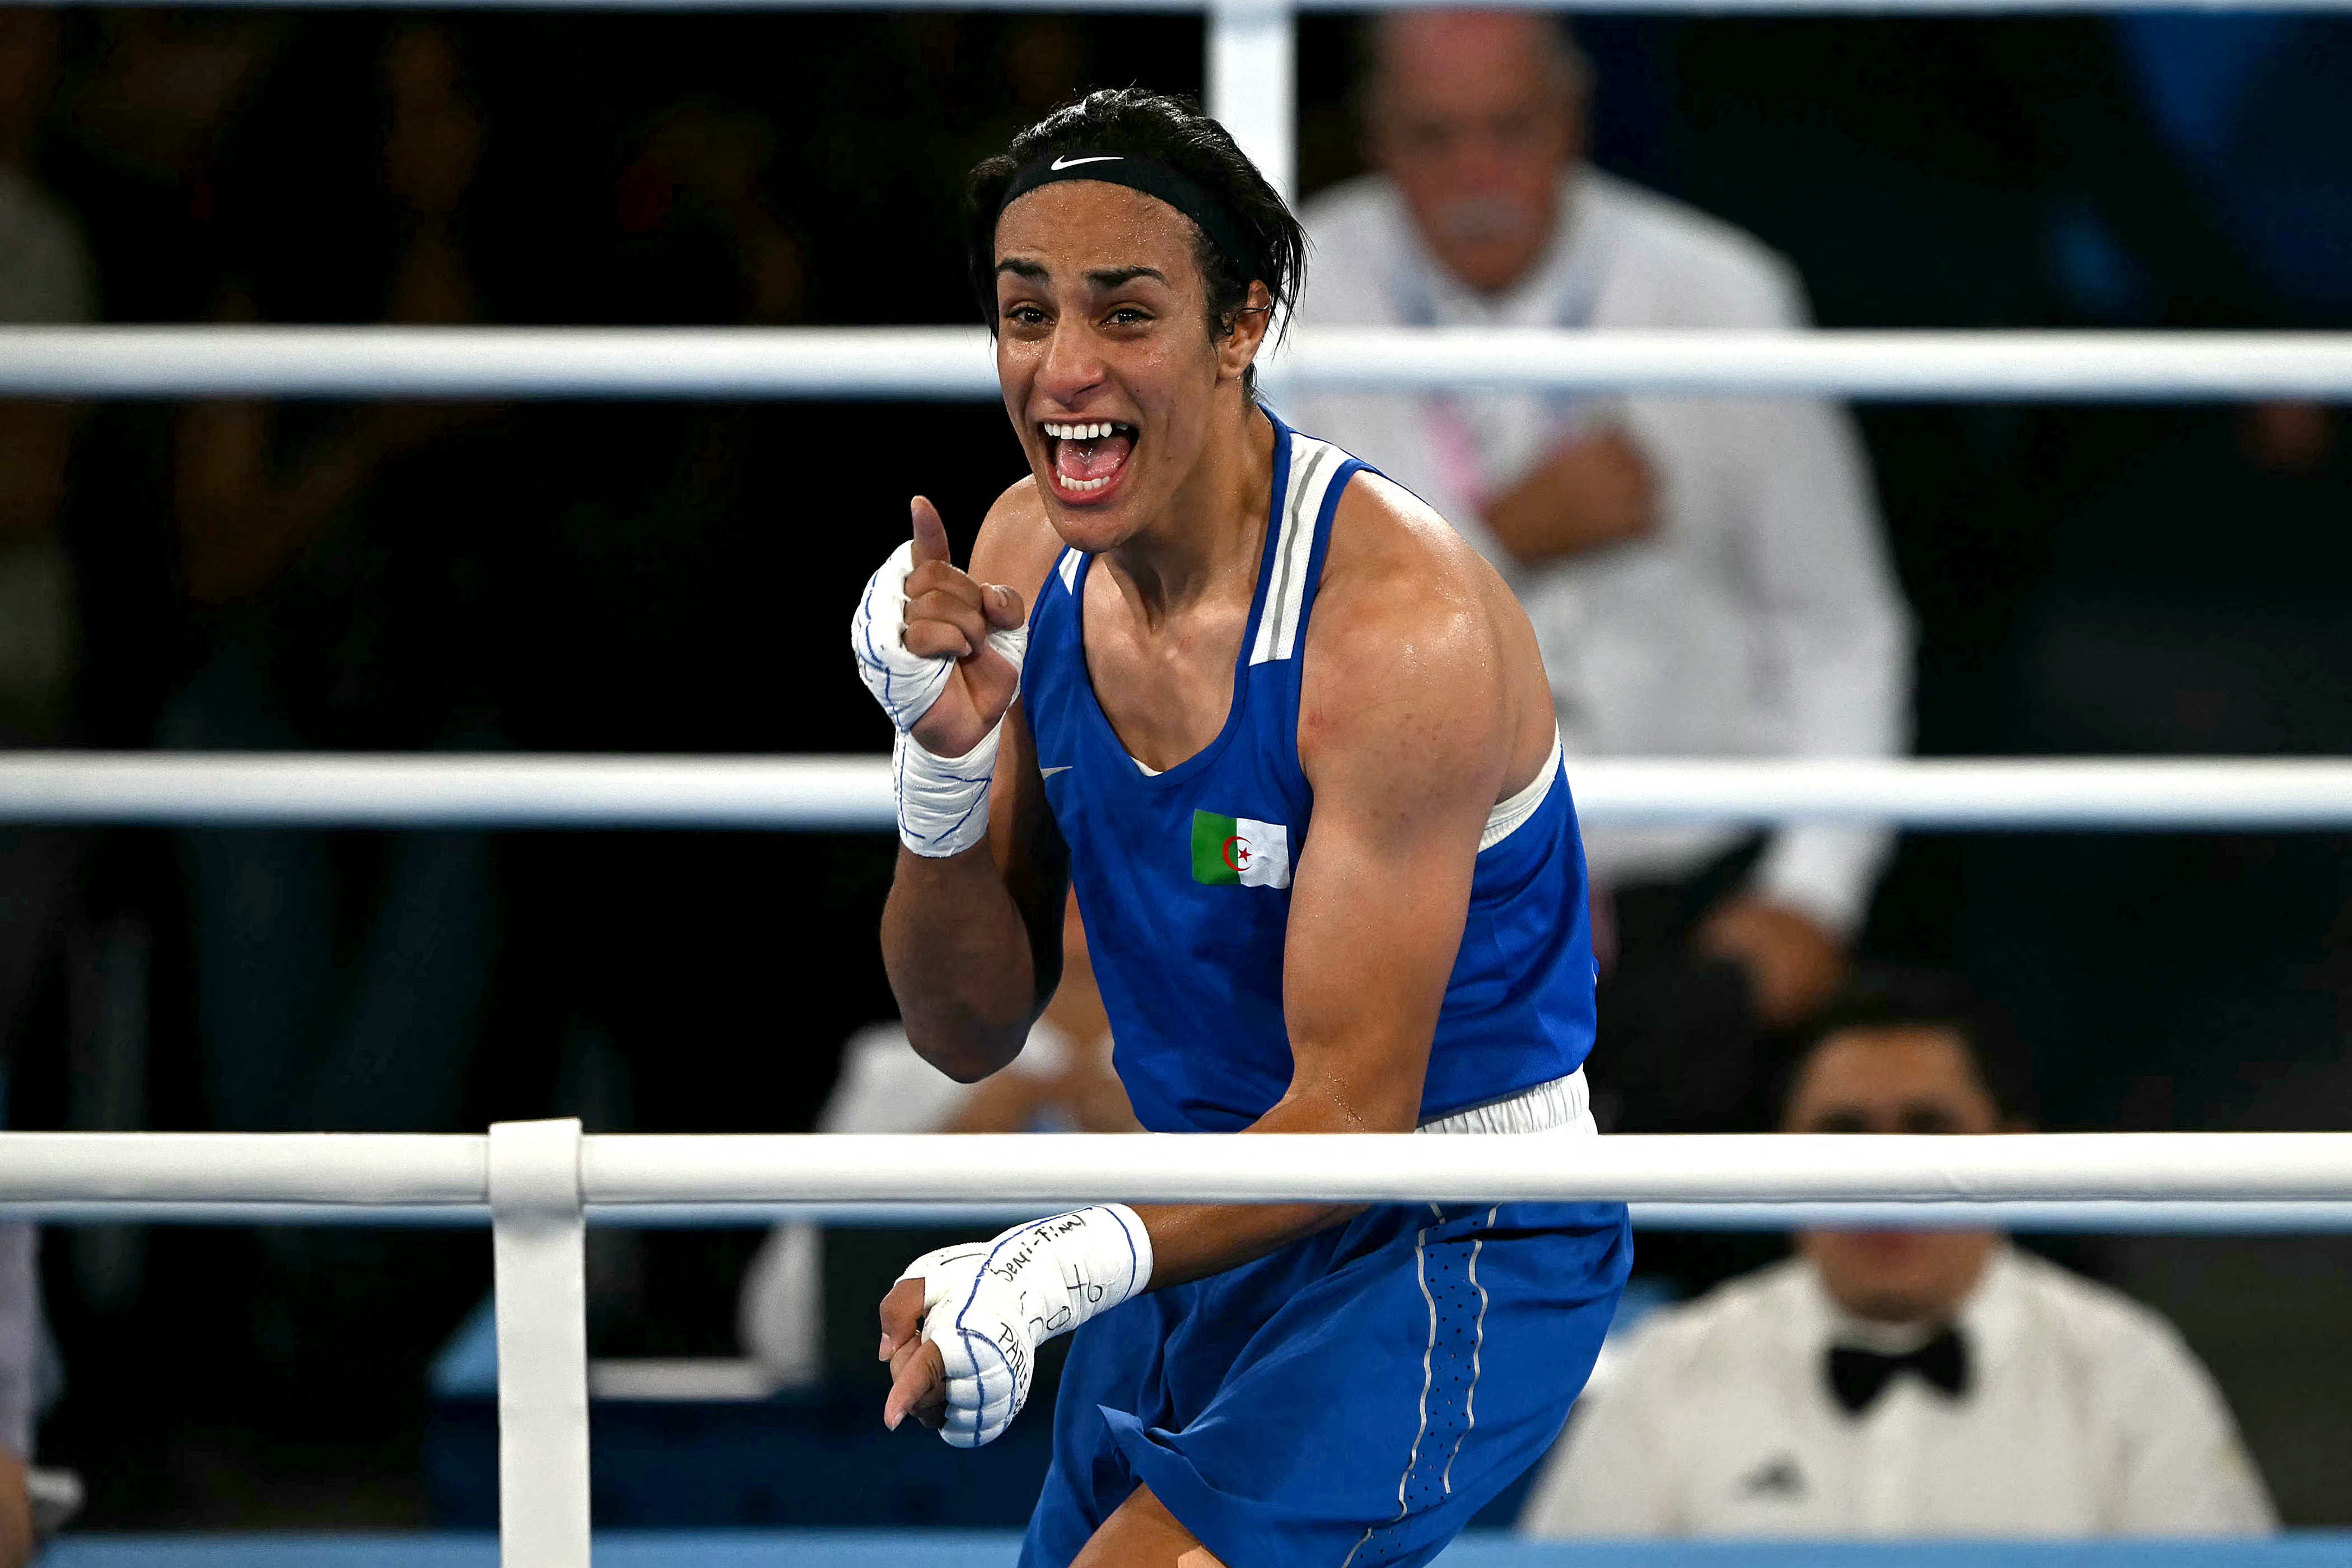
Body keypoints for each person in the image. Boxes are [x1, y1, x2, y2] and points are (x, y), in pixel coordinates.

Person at [847, 86, 1629, 1568]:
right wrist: (937, 769)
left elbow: (1354, 1116)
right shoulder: (1023, 559)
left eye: (1123, 314)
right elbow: (965, 1029)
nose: (1063, 370)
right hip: (1205, 1206)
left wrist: (1050, 1266)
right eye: (1026, 315)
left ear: (1240, 323)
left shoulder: (1394, 630)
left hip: (1446, 1224)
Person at [1290, 11, 1912, 1134]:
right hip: (1411, 902)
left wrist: (1813, 891)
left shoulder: (1723, 296)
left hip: (1705, 897)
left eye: (1509, 129)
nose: (1477, 172)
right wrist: (1496, 537)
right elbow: (1250, 641)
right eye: (1435, 137)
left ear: (1573, 121)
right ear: (1376, 138)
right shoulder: (1288, 309)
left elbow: (1840, 622)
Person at [1518, 971, 2276, 1537]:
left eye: (1929, 1130)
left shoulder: (2127, 1371)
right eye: (1844, 1135)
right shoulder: (1669, 1371)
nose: (1886, 1175)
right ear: (1778, 1163)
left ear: (2019, 1155)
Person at [737, 890, 1137, 1389]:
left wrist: (1160, 1159)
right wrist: (951, 1152)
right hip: (916, 1440)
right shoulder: (895, 1071)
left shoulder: (1228, 1077)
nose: (1079, 885)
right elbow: (783, 1335)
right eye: (1058, 847)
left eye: (1100, 850)